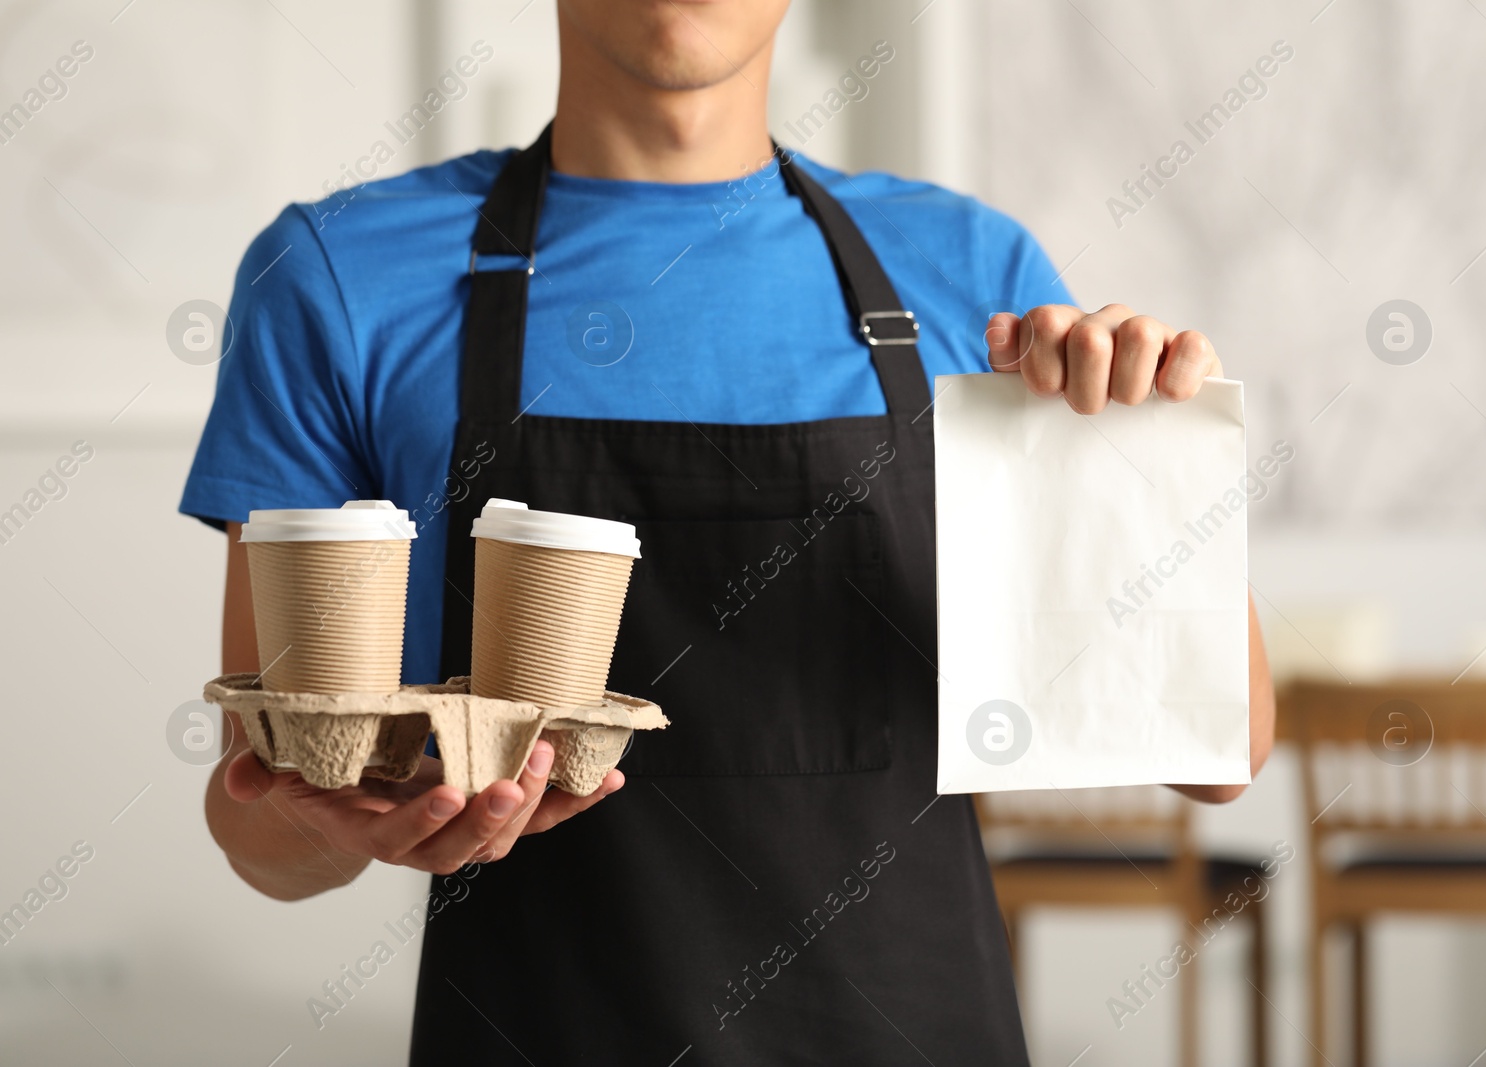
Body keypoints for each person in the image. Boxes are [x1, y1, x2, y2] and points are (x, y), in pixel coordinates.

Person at [185, 1, 1275, 1061]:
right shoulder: (336, 277)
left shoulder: (970, 277)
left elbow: (1217, 756)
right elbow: (260, 819)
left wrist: (1147, 447)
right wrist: (334, 823)